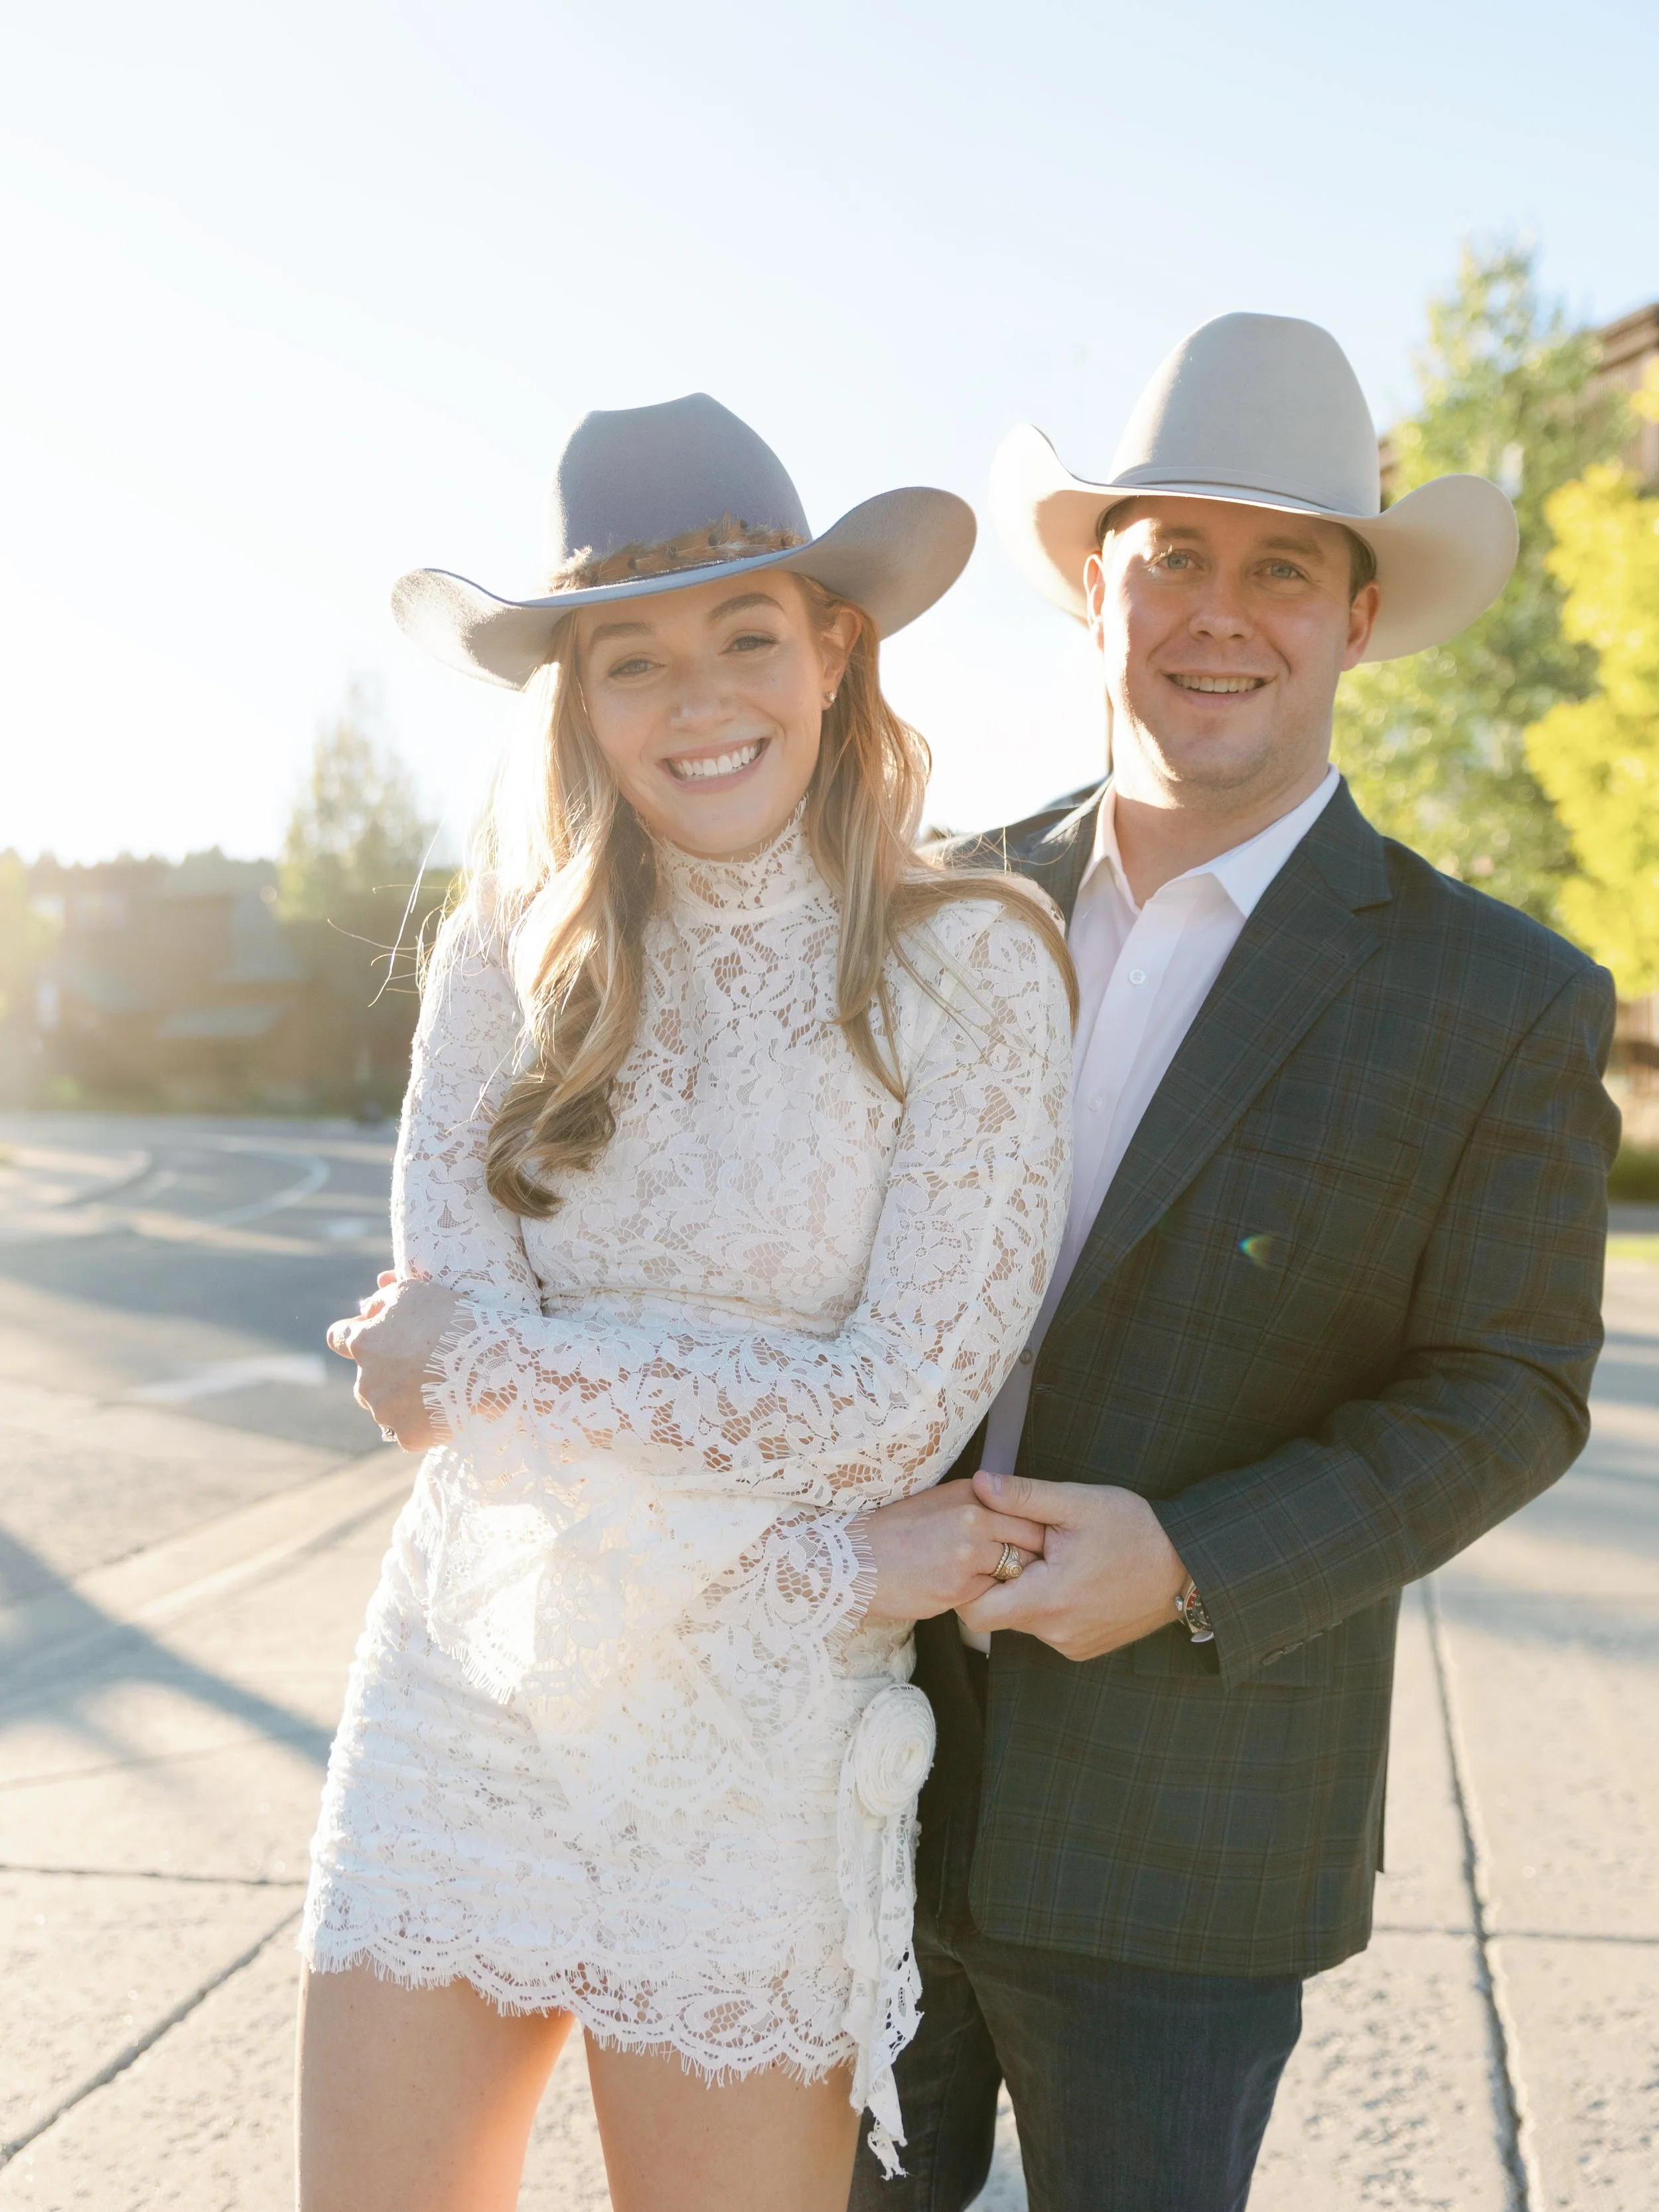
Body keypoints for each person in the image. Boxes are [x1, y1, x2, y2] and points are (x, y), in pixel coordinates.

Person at [850, 313, 1620, 2212]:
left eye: (1280, 564)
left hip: (1186, 1830)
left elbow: (1509, 1389)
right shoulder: (935, 905)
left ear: (1356, 619)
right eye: (1167, 554)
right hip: (840, 1773)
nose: (1218, 609)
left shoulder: (1498, 997)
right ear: (1091, 594)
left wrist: (1190, 1559)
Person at [299, 392, 1077, 2212]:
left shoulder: (974, 963)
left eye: (747, 633)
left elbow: (890, 1404)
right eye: (631, 658)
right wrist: (506, 1370)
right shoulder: (504, 952)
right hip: (469, 1683)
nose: (699, 697)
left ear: (833, 647)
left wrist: (496, 1369)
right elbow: (443, 1336)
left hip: (760, 1702)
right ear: (576, 697)